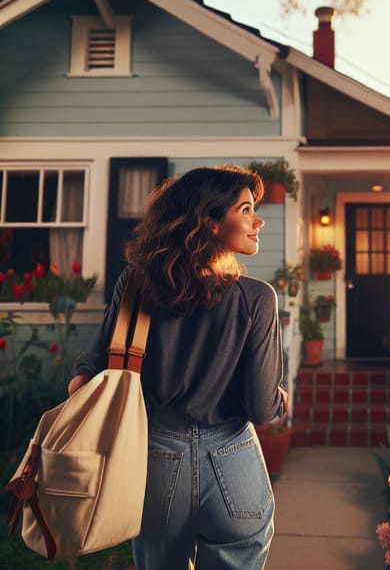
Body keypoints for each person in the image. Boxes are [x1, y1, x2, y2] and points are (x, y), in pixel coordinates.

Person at [69, 164, 288, 570]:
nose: (258, 220)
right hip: (232, 458)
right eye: (245, 209)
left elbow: (91, 367)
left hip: (153, 461)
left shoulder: (137, 284)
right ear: (210, 222)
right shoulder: (256, 299)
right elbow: (263, 409)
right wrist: (281, 402)